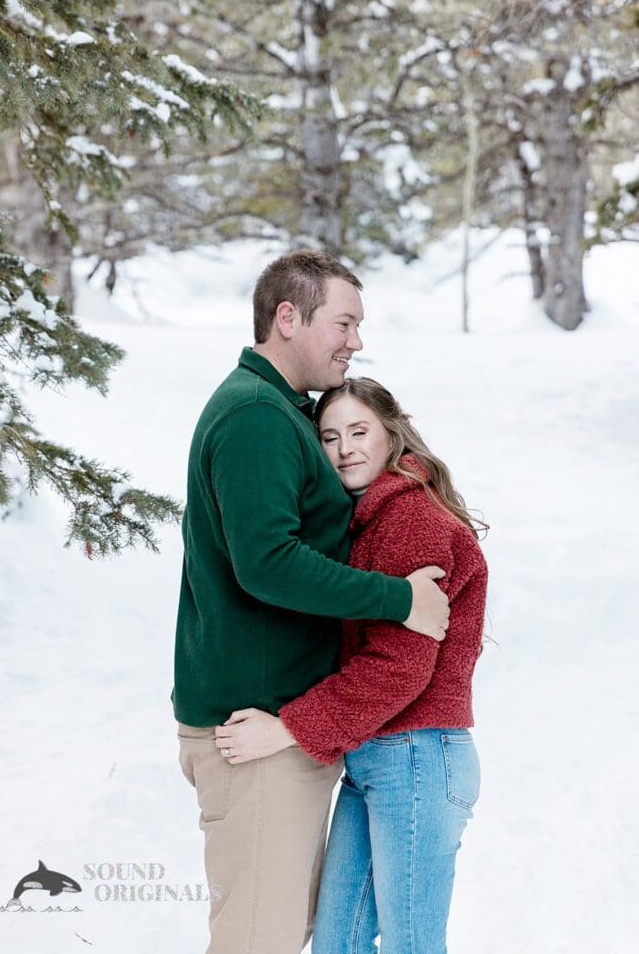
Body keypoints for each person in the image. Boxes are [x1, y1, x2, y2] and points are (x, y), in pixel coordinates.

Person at [172, 252, 451, 954]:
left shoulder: (281, 412)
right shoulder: (257, 415)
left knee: (276, 932)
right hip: (256, 731)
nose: (355, 341)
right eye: (345, 322)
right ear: (288, 318)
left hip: (282, 726)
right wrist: (397, 600)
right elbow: (266, 563)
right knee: (257, 941)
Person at [215, 377, 488, 954]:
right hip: (375, 760)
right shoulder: (369, 521)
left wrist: (287, 728)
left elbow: (399, 667)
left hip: (417, 756)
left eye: (359, 432)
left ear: (392, 435)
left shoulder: (412, 520)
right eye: (330, 437)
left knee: (412, 944)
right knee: (338, 941)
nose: (345, 449)